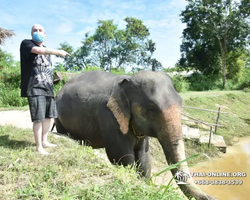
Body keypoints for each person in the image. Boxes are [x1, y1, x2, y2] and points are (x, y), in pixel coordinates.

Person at [20, 24, 70, 154]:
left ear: (45, 33)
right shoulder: (26, 44)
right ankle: (39, 147)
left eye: (40, 30)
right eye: (35, 30)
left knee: (49, 116)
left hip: (48, 87)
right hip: (34, 87)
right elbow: (39, 51)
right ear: (31, 33)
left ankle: (44, 141)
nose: (37, 32)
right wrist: (58, 52)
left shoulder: (46, 49)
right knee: (38, 118)